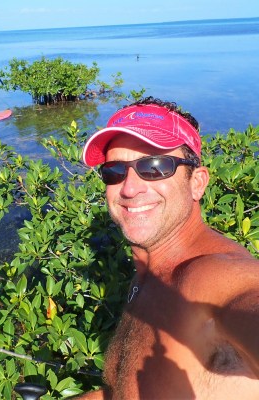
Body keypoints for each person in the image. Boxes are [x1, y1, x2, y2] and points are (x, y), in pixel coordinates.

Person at [77, 97, 259, 399]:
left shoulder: (212, 276)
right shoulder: (149, 272)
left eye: (155, 166)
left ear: (197, 183)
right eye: (114, 171)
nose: (129, 188)